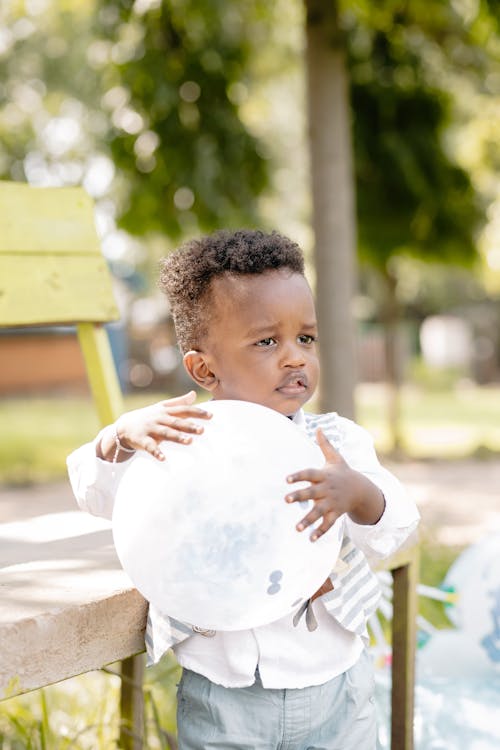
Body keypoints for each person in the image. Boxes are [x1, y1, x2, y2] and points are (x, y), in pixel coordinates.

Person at [67, 229, 419, 750]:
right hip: (223, 695)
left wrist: (359, 494)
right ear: (203, 367)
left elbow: (399, 525)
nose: (296, 357)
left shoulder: (334, 441)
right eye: (267, 341)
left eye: (306, 338)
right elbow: (94, 493)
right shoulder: (181, 443)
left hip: (333, 685)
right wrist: (119, 438)